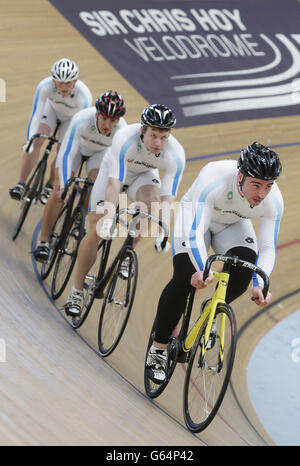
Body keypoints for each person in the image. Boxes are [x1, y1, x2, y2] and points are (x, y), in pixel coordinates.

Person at [145, 141, 284, 384]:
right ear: (240, 176)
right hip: (196, 219)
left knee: (245, 268)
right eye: (256, 184)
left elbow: (267, 248)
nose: (261, 193)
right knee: (185, 277)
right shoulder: (214, 178)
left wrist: (259, 284)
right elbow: (196, 232)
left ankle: (211, 309)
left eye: (268, 186)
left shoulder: (274, 201)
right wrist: (202, 268)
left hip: (233, 224)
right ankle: (158, 348)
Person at [65, 103, 186, 317]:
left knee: (152, 204)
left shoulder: (176, 154)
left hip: (144, 175)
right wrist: (109, 218)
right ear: (143, 130)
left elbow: (168, 197)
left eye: (164, 137)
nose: (159, 143)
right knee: (98, 228)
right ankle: (76, 290)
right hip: (114, 173)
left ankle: (129, 248)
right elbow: (114, 185)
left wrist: (162, 231)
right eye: (154, 136)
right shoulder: (124, 138)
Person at [33, 91, 127, 262]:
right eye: (104, 118)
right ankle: (44, 241)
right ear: (97, 114)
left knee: (96, 183)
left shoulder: (122, 132)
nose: (107, 125)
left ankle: (79, 218)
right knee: (58, 193)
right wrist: (63, 186)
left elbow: (117, 166)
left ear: (118, 121)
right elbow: (66, 153)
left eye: (113, 121)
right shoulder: (82, 119)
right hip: (76, 151)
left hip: (99, 155)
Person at [9, 58, 92, 202]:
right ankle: (21, 183)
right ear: (53, 81)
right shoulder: (44, 86)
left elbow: (79, 126)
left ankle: (50, 183)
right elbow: (35, 114)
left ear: (75, 81)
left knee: (62, 151)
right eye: (60, 82)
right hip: (51, 111)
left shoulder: (84, 96)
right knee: (36, 141)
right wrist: (30, 139)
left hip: (71, 119)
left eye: (68, 82)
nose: (64, 87)